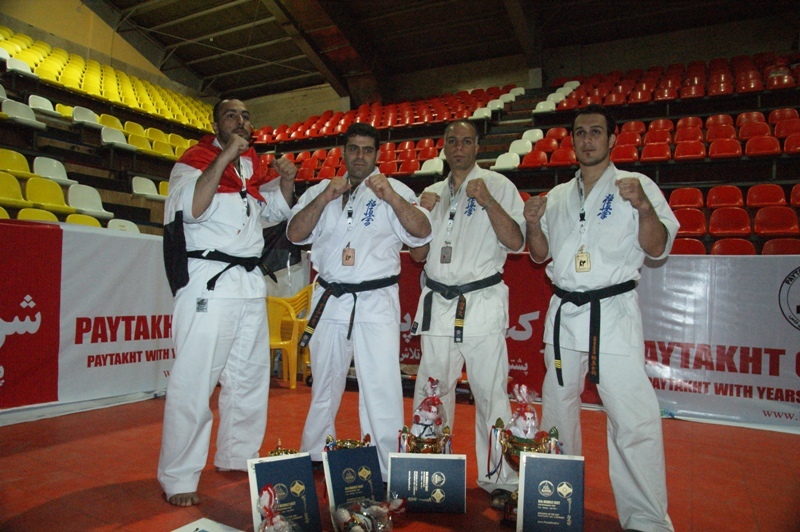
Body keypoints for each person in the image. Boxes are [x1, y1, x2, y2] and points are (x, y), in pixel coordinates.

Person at [524, 104, 677, 531]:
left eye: (596, 132)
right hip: (563, 311)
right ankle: (556, 504)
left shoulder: (637, 186)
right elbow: (539, 255)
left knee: (632, 417)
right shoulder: (557, 196)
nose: (587, 139)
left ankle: (646, 519)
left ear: (611, 140)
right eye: (580, 132)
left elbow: (657, 248)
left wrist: (643, 208)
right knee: (557, 409)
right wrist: (532, 224)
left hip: (612, 311)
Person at [158, 99, 297, 507]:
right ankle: (178, 476)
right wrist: (224, 157)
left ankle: (238, 455)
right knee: (194, 380)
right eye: (231, 116)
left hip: (249, 282)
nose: (240, 121)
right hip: (208, 281)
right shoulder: (193, 162)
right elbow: (191, 208)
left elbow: (271, 212)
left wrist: (286, 181)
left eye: (246, 116)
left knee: (249, 378)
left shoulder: (252, 168)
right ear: (215, 123)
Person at [287, 122, 432, 477]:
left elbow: (422, 231)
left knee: (380, 385)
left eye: (368, 150)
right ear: (343, 152)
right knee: (324, 381)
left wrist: (391, 197)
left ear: (378, 154)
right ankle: (316, 453)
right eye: (353, 149)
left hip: (375, 299)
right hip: (330, 297)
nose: (360, 157)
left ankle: (386, 466)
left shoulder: (394, 189)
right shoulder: (323, 189)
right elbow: (294, 233)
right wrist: (324, 197)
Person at [408, 120, 525, 507]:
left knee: (490, 394)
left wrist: (488, 201)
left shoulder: (499, 186)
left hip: (481, 302)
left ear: (477, 147)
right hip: (438, 304)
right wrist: (421, 216)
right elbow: (417, 255)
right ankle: (429, 471)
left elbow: (516, 241)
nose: (458, 147)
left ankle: (500, 480)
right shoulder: (433, 193)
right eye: (452, 141)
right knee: (431, 391)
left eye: (466, 141)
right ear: (444, 147)